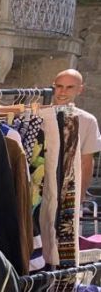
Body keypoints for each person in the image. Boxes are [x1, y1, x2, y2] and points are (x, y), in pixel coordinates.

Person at [52, 69, 101, 197]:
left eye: (69, 87)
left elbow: (87, 162)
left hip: (67, 189)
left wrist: (80, 195)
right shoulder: (37, 117)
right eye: (59, 86)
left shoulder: (88, 121)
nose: (63, 91)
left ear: (79, 90)